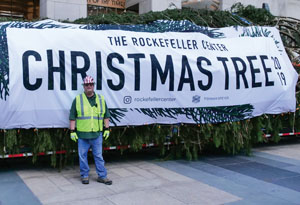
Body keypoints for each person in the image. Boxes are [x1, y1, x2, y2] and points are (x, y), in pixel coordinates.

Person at [69, 75, 112, 185]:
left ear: (93, 86)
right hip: (82, 136)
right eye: (87, 84)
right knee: (82, 157)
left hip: (97, 135)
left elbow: (106, 115)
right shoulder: (78, 99)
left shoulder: (101, 99)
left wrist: (107, 128)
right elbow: (72, 116)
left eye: (91, 84)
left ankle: (102, 176)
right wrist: (72, 131)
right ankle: (85, 176)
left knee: (98, 156)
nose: (89, 86)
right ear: (83, 86)